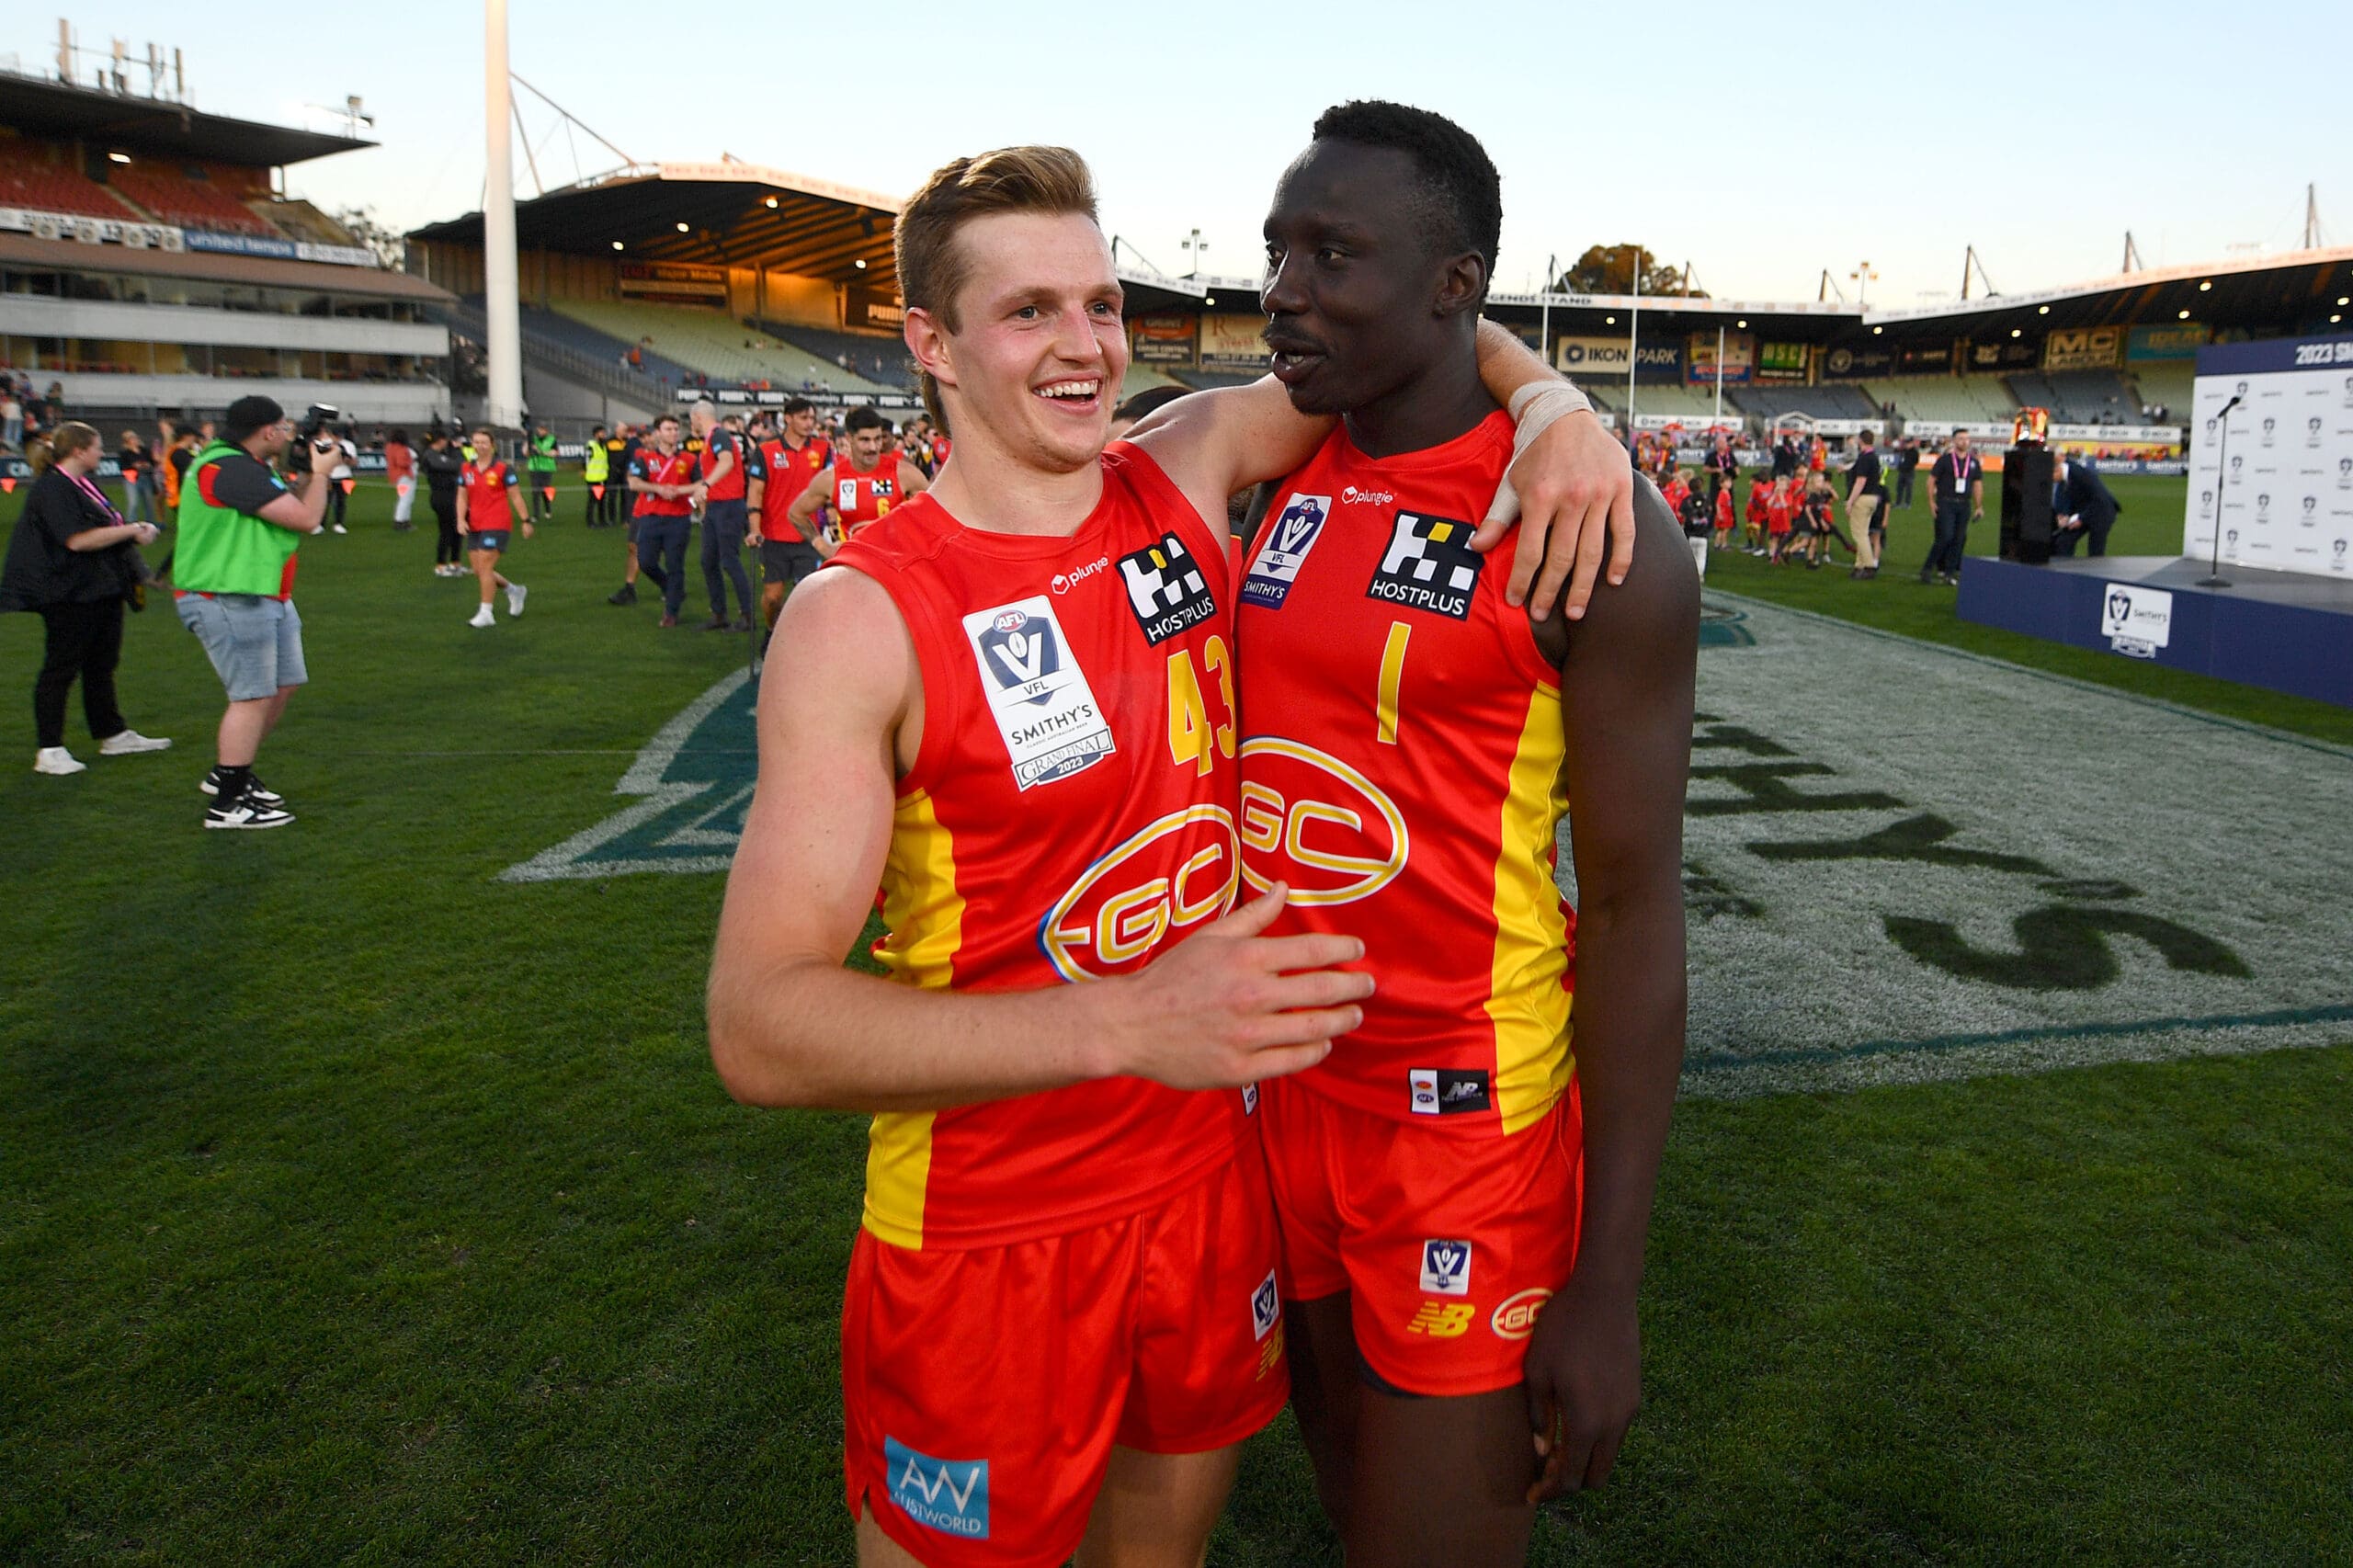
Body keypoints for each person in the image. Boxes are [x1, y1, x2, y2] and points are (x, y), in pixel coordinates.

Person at [707, 142, 1631, 1568]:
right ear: (931, 344)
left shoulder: (1182, 471)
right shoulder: (861, 614)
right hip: (989, 1229)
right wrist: (1125, 1020)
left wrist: (1560, 402)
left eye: (1101, 303)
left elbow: (1416, 331)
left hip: (1214, 1195)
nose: (1083, 348)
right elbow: (761, 1026)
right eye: (1028, 313)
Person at [1239, 101, 1695, 1565]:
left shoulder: (1589, 531)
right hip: (1267, 1087)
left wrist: (1608, 1282)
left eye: (1334, 253)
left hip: (1462, 1127)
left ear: (1455, 284)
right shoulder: (1268, 461)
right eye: (1277, 249)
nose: (1284, 288)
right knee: (1340, 1490)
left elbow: (1632, 913)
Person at [172, 393, 336, 829]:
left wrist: (307, 473)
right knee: (252, 697)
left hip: (260, 592)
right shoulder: (228, 467)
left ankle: (232, 773)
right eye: (283, 428)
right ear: (266, 431)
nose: (287, 435)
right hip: (228, 595)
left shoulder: (245, 467)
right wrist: (321, 475)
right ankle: (227, 804)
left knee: (282, 687)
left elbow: (290, 507)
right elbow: (306, 519)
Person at [1, 422, 172, 774]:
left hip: (99, 589)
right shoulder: (53, 488)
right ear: (78, 450)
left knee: (101, 666)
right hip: (67, 593)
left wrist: (142, 575)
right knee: (61, 669)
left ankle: (112, 733)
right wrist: (134, 530)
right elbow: (76, 540)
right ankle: (49, 749)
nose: (99, 452)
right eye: (95, 447)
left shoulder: (83, 485)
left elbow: (105, 533)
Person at [784, 405, 930, 559]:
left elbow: (936, 513)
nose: (873, 447)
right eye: (865, 440)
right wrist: (823, 546)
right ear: (849, 438)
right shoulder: (832, 478)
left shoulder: (904, 474)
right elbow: (796, 513)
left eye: (877, 439)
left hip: (895, 566)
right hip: (853, 566)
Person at [745, 398, 833, 642]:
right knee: (773, 597)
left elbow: (829, 491)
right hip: (773, 535)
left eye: (812, 419)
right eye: (804, 418)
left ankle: (798, 642)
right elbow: (755, 491)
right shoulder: (766, 450)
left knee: (805, 595)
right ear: (788, 418)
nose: (809, 423)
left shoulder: (823, 449)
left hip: (808, 535)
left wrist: (833, 526)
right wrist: (754, 529)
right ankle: (772, 631)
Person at [686, 400, 756, 631]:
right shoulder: (712, 439)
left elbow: (727, 461)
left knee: (729, 560)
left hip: (728, 505)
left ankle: (746, 614)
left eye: (691, 418)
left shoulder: (718, 436)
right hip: (717, 506)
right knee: (709, 560)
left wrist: (706, 484)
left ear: (697, 416)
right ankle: (719, 613)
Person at [455, 426, 531, 628]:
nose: (479, 446)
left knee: (487, 566)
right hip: (475, 523)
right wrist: (460, 519)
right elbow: (462, 496)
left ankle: (486, 612)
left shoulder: (503, 469)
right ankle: (514, 590)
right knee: (479, 571)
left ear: (492, 445)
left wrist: (525, 520)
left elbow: (515, 495)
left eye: (484, 442)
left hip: (497, 522)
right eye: (476, 442)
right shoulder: (466, 468)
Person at [623, 414, 696, 625]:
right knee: (645, 561)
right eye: (668, 429)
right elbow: (633, 483)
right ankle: (671, 588)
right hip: (651, 517)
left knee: (675, 565)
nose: (673, 433)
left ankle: (671, 612)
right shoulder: (645, 458)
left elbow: (701, 483)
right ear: (658, 433)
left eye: (675, 429)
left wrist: (679, 490)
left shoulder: (689, 459)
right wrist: (658, 489)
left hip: (679, 519)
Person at [1923, 430, 1984, 585]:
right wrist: (1931, 501)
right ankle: (1928, 567)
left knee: (1959, 539)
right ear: (1954, 441)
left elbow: (1977, 484)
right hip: (1946, 502)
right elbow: (1931, 481)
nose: (1964, 442)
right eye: (1961, 439)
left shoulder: (1974, 462)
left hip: (1964, 504)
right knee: (1945, 537)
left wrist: (1978, 506)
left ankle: (1949, 573)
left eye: (1966, 439)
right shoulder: (1945, 460)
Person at [2052, 450, 2121, 557]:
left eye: (2052, 476)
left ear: (2058, 470)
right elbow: (2073, 500)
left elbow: (2099, 499)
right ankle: (2064, 569)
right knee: (2063, 541)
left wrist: (2081, 519)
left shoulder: (2079, 473)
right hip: (2085, 511)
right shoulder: (2066, 477)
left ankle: (2095, 572)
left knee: (2095, 551)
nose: (2052, 480)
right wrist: (2065, 516)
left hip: (2102, 513)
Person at [420, 430, 466, 575]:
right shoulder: (430, 455)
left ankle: (455, 562)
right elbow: (457, 465)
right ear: (440, 440)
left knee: (457, 530)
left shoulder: (441, 454)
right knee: (446, 531)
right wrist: (458, 450)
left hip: (452, 495)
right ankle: (440, 565)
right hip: (442, 497)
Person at [1845, 426, 1887, 579]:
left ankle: (1869, 565)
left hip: (1863, 498)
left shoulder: (1864, 458)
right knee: (1863, 531)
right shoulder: (1873, 457)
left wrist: (1850, 501)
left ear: (1860, 440)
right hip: (1873, 498)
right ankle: (1859, 566)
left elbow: (1860, 481)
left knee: (1859, 534)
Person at [114, 430, 154, 528]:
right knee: (133, 502)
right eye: (131, 439)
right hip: (132, 479)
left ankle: (150, 522)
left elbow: (152, 462)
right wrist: (134, 466)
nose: (134, 440)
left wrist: (147, 465)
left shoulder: (145, 450)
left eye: (135, 438)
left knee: (148, 501)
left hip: (146, 476)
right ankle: (131, 522)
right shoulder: (124, 453)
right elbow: (122, 466)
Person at [525, 420, 559, 525]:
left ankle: (548, 510)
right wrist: (529, 446)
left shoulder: (552, 439)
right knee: (535, 491)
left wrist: (541, 452)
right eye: (540, 429)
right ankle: (535, 514)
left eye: (543, 429)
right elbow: (526, 453)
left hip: (547, 468)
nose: (541, 431)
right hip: (534, 468)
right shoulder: (532, 439)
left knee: (546, 491)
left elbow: (555, 453)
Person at [324, 426, 356, 534]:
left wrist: (346, 459)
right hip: (328, 476)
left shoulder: (348, 445)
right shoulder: (325, 444)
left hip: (344, 476)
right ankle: (320, 524)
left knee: (340, 501)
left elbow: (354, 462)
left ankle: (338, 523)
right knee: (325, 501)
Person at [385, 428, 417, 532]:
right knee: (406, 499)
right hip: (405, 476)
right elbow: (401, 463)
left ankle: (404, 520)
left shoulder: (389, 447)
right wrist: (410, 461)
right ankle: (400, 521)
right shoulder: (402, 449)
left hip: (396, 476)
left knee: (404, 498)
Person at [581, 424, 610, 527]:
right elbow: (586, 460)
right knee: (592, 501)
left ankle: (602, 520)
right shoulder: (591, 445)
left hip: (603, 477)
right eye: (602, 433)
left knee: (602, 500)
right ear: (596, 434)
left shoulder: (604, 446)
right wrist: (585, 470)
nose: (604, 435)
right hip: (593, 477)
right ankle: (590, 521)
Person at [1895, 434, 1920, 507]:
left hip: (1909, 472)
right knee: (1899, 488)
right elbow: (1900, 457)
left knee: (1909, 489)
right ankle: (1898, 503)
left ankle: (1907, 503)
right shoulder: (1904, 451)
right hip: (1902, 471)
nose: (1907, 445)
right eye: (1906, 443)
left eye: (1908, 443)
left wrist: (1909, 466)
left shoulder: (1914, 452)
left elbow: (1916, 461)